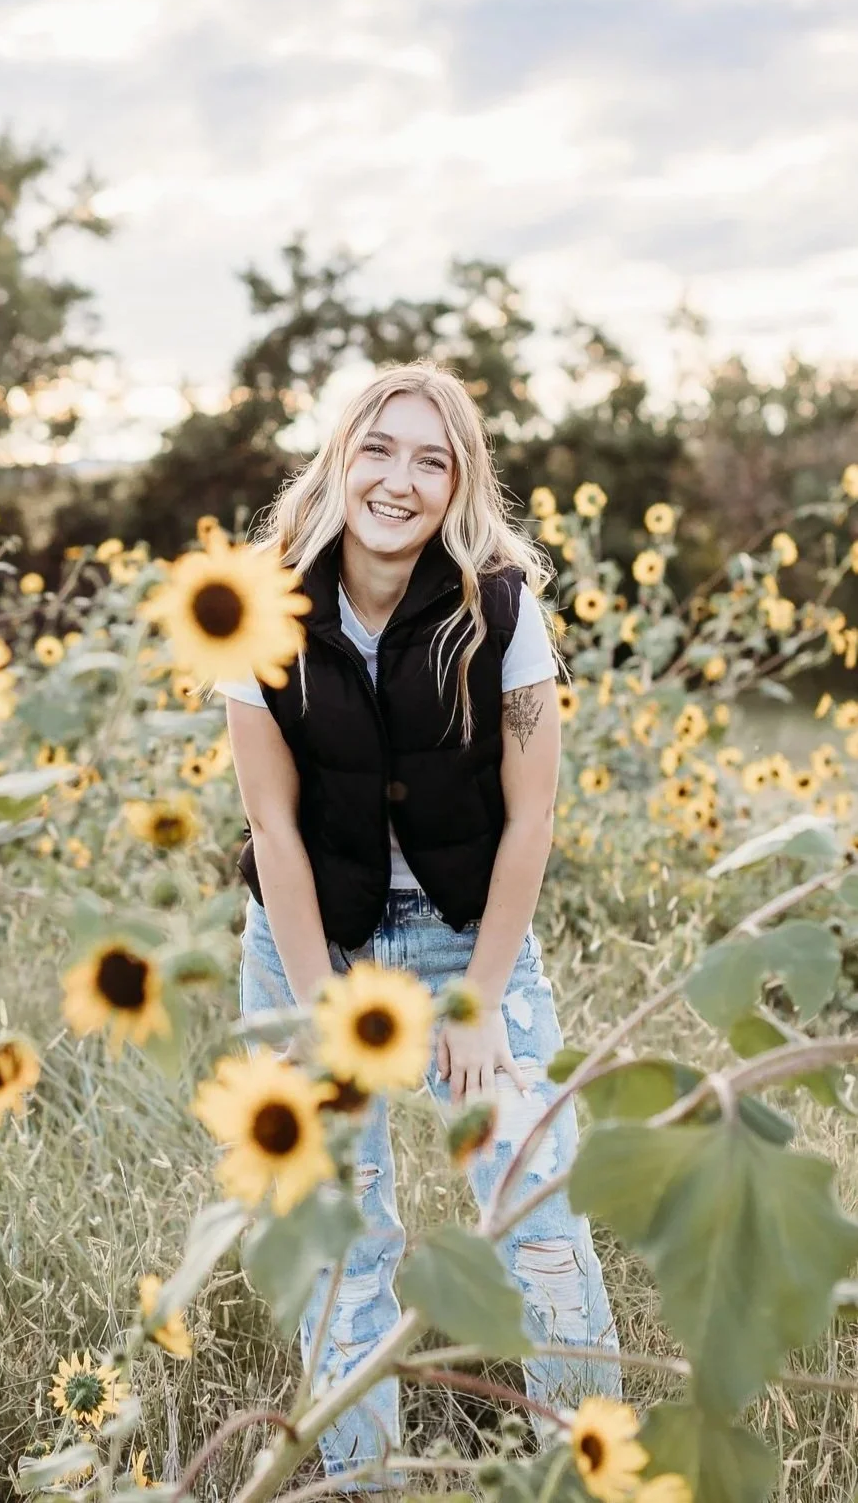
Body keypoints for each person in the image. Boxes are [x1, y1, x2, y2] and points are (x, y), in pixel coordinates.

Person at [213, 361, 622, 1498]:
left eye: (430, 458)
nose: (398, 479)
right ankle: (361, 1480)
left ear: (459, 485)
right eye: (378, 448)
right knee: (339, 1228)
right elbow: (272, 828)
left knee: (533, 1196)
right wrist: (313, 1014)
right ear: (341, 455)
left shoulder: (499, 606)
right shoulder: (260, 601)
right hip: (311, 938)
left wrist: (481, 1000)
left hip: (463, 937)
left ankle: (588, 1466)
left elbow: (532, 814)